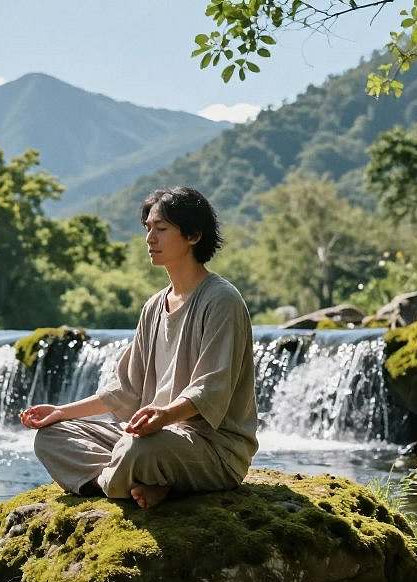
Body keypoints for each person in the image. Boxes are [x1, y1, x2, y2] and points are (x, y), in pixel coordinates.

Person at [20, 186, 259, 509]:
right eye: (148, 228)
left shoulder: (221, 300)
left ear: (193, 235)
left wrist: (165, 415)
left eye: (161, 229)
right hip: (153, 437)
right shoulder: (153, 306)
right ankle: (144, 484)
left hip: (211, 448)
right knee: (51, 437)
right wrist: (62, 412)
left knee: (137, 449)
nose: (150, 238)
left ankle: (126, 482)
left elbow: (212, 389)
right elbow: (125, 389)